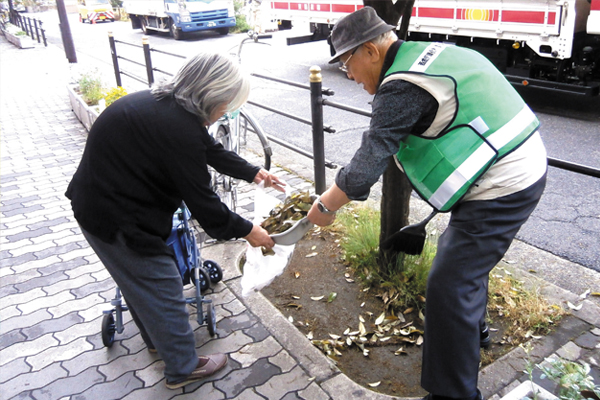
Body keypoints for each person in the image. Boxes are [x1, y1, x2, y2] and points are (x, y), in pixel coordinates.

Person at [307, 7, 547, 400]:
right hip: (515, 158)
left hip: (504, 182)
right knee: (465, 267)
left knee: (448, 285)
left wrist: (326, 206)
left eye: (347, 63)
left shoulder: (401, 86)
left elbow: (369, 159)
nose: (348, 75)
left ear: (370, 51)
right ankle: (475, 332)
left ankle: (452, 394)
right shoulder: (427, 54)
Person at [66, 52, 285, 389]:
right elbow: (207, 208)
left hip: (102, 204)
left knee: (140, 282)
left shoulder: (165, 107)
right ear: (209, 94)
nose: (227, 110)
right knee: (161, 283)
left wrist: (254, 173)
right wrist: (249, 231)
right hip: (114, 217)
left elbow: (209, 149)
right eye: (226, 103)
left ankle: (158, 340)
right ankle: (182, 367)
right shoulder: (177, 128)